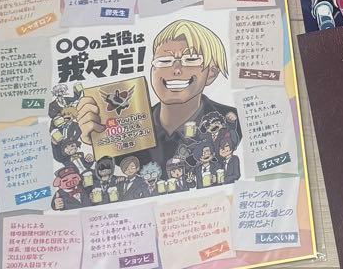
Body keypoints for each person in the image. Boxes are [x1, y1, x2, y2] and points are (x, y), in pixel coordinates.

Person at [76, 18, 241, 172]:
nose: (176, 69)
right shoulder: (128, 127)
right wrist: (97, 144)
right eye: (164, 61)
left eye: (190, 60)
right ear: (153, 71)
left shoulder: (237, 122)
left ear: (211, 73)